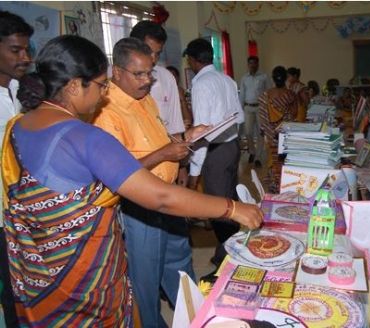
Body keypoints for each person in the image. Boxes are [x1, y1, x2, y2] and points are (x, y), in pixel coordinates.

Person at [2, 34, 262, 326]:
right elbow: (160, 197)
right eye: (101, 85)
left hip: (40, 269)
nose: (104, 94)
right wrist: (232, 208)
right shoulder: (85, 136)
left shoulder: (18, 125)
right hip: (83, 277)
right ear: (74, 85)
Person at [92, 36, 198, 327]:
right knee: (146, 279)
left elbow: (159, 141)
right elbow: (118, 174)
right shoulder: (106, 112)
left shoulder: (145, 100)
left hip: (169, 195)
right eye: (139, 74)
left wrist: (183, 142)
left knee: (180, 264)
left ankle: (197, 317)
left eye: (150, 72)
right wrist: (165, 152)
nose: (147, 80)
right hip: (140, 205)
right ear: (117, 72)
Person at [184, 38, 245, 268]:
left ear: (192, 60)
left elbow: (201, 131)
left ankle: (230, 259)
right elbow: (239, 117)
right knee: (230, 199)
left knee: (218, 207)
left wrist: (194, 173)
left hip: (215, 153)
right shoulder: (226, 79)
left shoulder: (200, 84)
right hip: (232, 147)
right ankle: (224, 252)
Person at [0, 11, 33, 327]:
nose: (24, 57)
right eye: (15, 50)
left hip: (25, 212)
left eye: (27, 50)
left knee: (25, 288)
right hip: (2, 215)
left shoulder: (21, 94)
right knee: (9, 292)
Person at [259, 66, 298, 193]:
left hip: (271, 134)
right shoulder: (290, 94)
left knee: (274, 158)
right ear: (286, 78)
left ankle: (274, 184)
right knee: (284, 159)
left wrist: (267, 130)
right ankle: (285, 184)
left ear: (273, 78)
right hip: (286, 133)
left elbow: (263, 116)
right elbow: (294, 113)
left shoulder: (265, 95)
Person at [239, 56, 271, 168]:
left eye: (254, 63)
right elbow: (242, 94)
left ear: (258, 64)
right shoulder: (244, 78)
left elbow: (268, 92)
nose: (252, 65)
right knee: (247, 132)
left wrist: (267, 109)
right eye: (250, 63)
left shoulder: (264, 77)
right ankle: (252, 152)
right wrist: (239, 109)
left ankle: (258, 157)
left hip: (260, 108)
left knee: (261, 133)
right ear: (248, 65)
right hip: (248, 108)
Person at [167, 65, 193, 130]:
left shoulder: (185, 94)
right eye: (168, 76)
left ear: (178, 78)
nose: (170, 79)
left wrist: (182, 99)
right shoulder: (159, 96)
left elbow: (189, 120)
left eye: (173, 76)